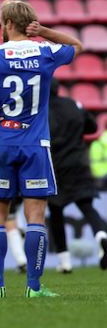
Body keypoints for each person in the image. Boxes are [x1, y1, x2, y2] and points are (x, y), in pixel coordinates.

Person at [0, 0, 82, 298]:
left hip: (1, 141)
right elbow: (77, 45)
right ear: (30, 25)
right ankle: (34, 288)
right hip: (35, 145)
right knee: (35, 215)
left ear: (8, 24)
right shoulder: (45, 52)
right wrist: (46, 32)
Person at [46, 79, 107, 272]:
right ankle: (102, 235)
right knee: (88, 207)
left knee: (56, 212)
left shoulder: (40, 112)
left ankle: (64, 262)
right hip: (79, 163)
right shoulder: (74, 105)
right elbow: (92, 127)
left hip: (55, 167)